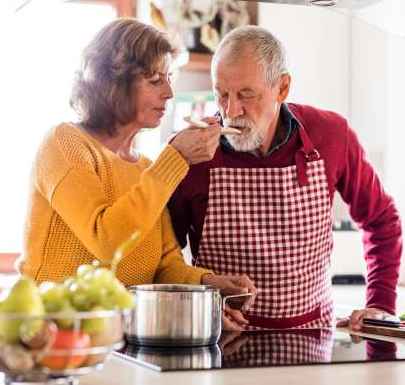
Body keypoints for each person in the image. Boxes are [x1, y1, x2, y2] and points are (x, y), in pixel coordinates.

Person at [16, 18, 256, 320]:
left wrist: (208, 284)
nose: (169, 92)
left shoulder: (145, 167)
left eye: (169, 77)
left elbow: (166, 265)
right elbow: (107, 242)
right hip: (54, 333)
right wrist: (176, 159)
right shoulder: (65, 145)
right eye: (155, 80)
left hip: (123, 335)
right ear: (112, 84)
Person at [169, 25, 402, 331]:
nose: (230, 110)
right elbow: (165, 257)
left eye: (246, 94)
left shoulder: (330, 134)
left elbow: (382, 220)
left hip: (312, 337)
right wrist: (198, 306)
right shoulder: (192, 154)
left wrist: (381, 304)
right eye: (221, 94)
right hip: (219, 341)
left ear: (282, 88)